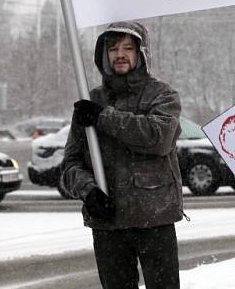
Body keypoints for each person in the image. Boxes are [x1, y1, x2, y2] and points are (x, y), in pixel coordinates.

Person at [60, 21, 183, 289]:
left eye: (128, 47)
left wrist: (104, 117)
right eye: (112, 48)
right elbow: (70, 164)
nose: (120, 54)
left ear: (141, 53)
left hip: (155, 218)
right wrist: (89, 191)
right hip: (108, 223)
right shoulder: (89, 100)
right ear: (102, 54)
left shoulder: (162, 95)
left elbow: (157, 139)